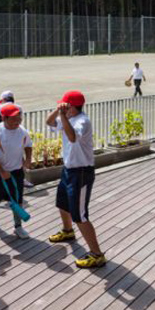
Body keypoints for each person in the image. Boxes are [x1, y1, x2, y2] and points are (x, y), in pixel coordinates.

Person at [45, 90, 106, 269]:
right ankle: (68, 231)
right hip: (68, 169)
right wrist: (59, 111)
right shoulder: (69, 118)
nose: (62, 108)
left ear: (72, 107)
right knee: (62, 204)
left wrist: (63, 115)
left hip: (81, 172)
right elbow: (48, 122)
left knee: (80, 215)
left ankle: (97, 254)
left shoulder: (82, 121)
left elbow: (72, 137)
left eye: (65, 105)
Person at [0, 103, 32, 237]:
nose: (18, 121)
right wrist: (1, 171)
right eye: (14, 119)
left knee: (18, 199)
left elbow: (28, 145)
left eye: (19, 118)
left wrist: (28, 160)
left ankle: (18, 226)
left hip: (16, 171)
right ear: (4, 118)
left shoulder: (22, 131)